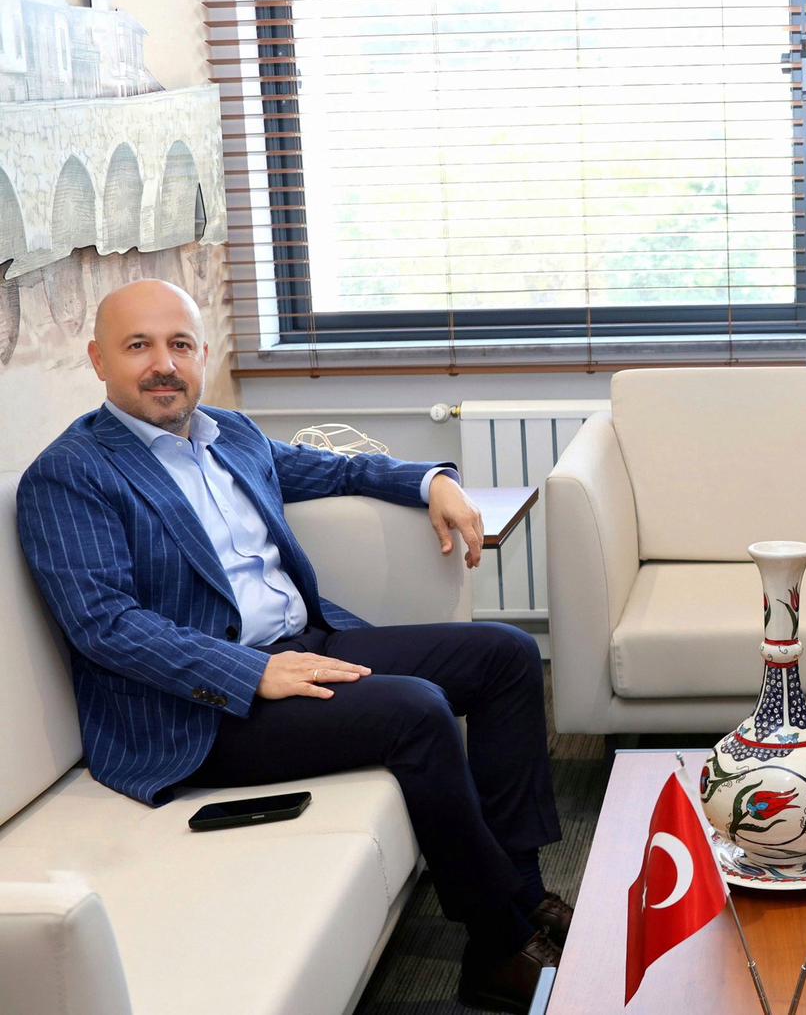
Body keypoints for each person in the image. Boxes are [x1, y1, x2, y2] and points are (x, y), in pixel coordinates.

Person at [18, 279, 564, 1014]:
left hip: (306, 643)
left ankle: (523, 894)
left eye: (180, 344)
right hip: (199, 711)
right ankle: (498, 946)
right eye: (138, 345)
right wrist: (252, 672)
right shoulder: (70, 474)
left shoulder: (230, 435)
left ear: (203, 353)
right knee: (415, 711)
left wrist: (433, 479)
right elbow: (105, 624)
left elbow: (341, 468)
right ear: (98, 360)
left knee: (505, 655)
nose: (163, 364)